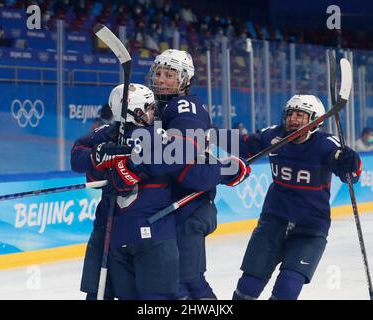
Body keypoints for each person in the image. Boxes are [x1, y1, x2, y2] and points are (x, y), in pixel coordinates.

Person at [71, 82, 249, 299]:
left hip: (113, 232)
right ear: (137, 112)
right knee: (170, 292)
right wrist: (229, 169)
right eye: (150, 107)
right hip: (153, 232)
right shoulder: (159, 138)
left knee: (106, 293)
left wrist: (104, 159)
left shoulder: (108, 136)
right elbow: (195, 174)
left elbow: (80, 158)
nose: (155, 111)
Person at [113, 49, 250, 299]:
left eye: (170, 74)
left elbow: (180, 151)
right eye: (159, 73)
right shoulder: (153, 106)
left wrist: (137, 167)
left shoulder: (185, 106)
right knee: (173, 284)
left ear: (185, 79)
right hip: (170, 209)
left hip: (191, 206)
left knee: (187, 283)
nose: (162, 79)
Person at [231, 94, 362, 300]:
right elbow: (242, 145)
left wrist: (351, 161)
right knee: (248, 286)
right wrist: (208, 134)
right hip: (273, 222)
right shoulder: (274, 136)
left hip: (310, 229)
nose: (293, 119)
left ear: (315, 121)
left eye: (300, 115)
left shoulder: (326, 145)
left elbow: (351, 177)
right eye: (290, 114)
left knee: (287, 288)